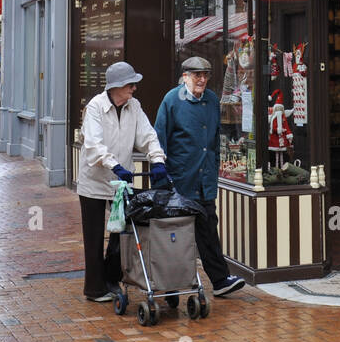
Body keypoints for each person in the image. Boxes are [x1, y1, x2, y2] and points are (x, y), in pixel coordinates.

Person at [154, 56, 245, 297]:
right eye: (197, 75)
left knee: (208, 231)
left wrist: (214, 166)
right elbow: (158, 139)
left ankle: (220, 280)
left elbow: (214, 140)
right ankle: (170, 286)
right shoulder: (172, 100)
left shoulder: (213, 100)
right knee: (175, 236)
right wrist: (160, 174)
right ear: (185, 76)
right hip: (180, 180)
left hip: (205, 181)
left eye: (205, 75)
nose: (202, 79)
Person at [79, 61, 168, 302]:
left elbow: (147, 135)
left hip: (121, 181)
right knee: (95, 235)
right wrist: (114, 165)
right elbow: (94, 146)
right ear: (116, 86)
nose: (134, 89)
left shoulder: (133, 106)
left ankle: (111, 277)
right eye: (130, 84)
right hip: (95, 181)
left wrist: (157, 159)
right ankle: (95, 288)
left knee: (123, 232)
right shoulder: (95, 108)